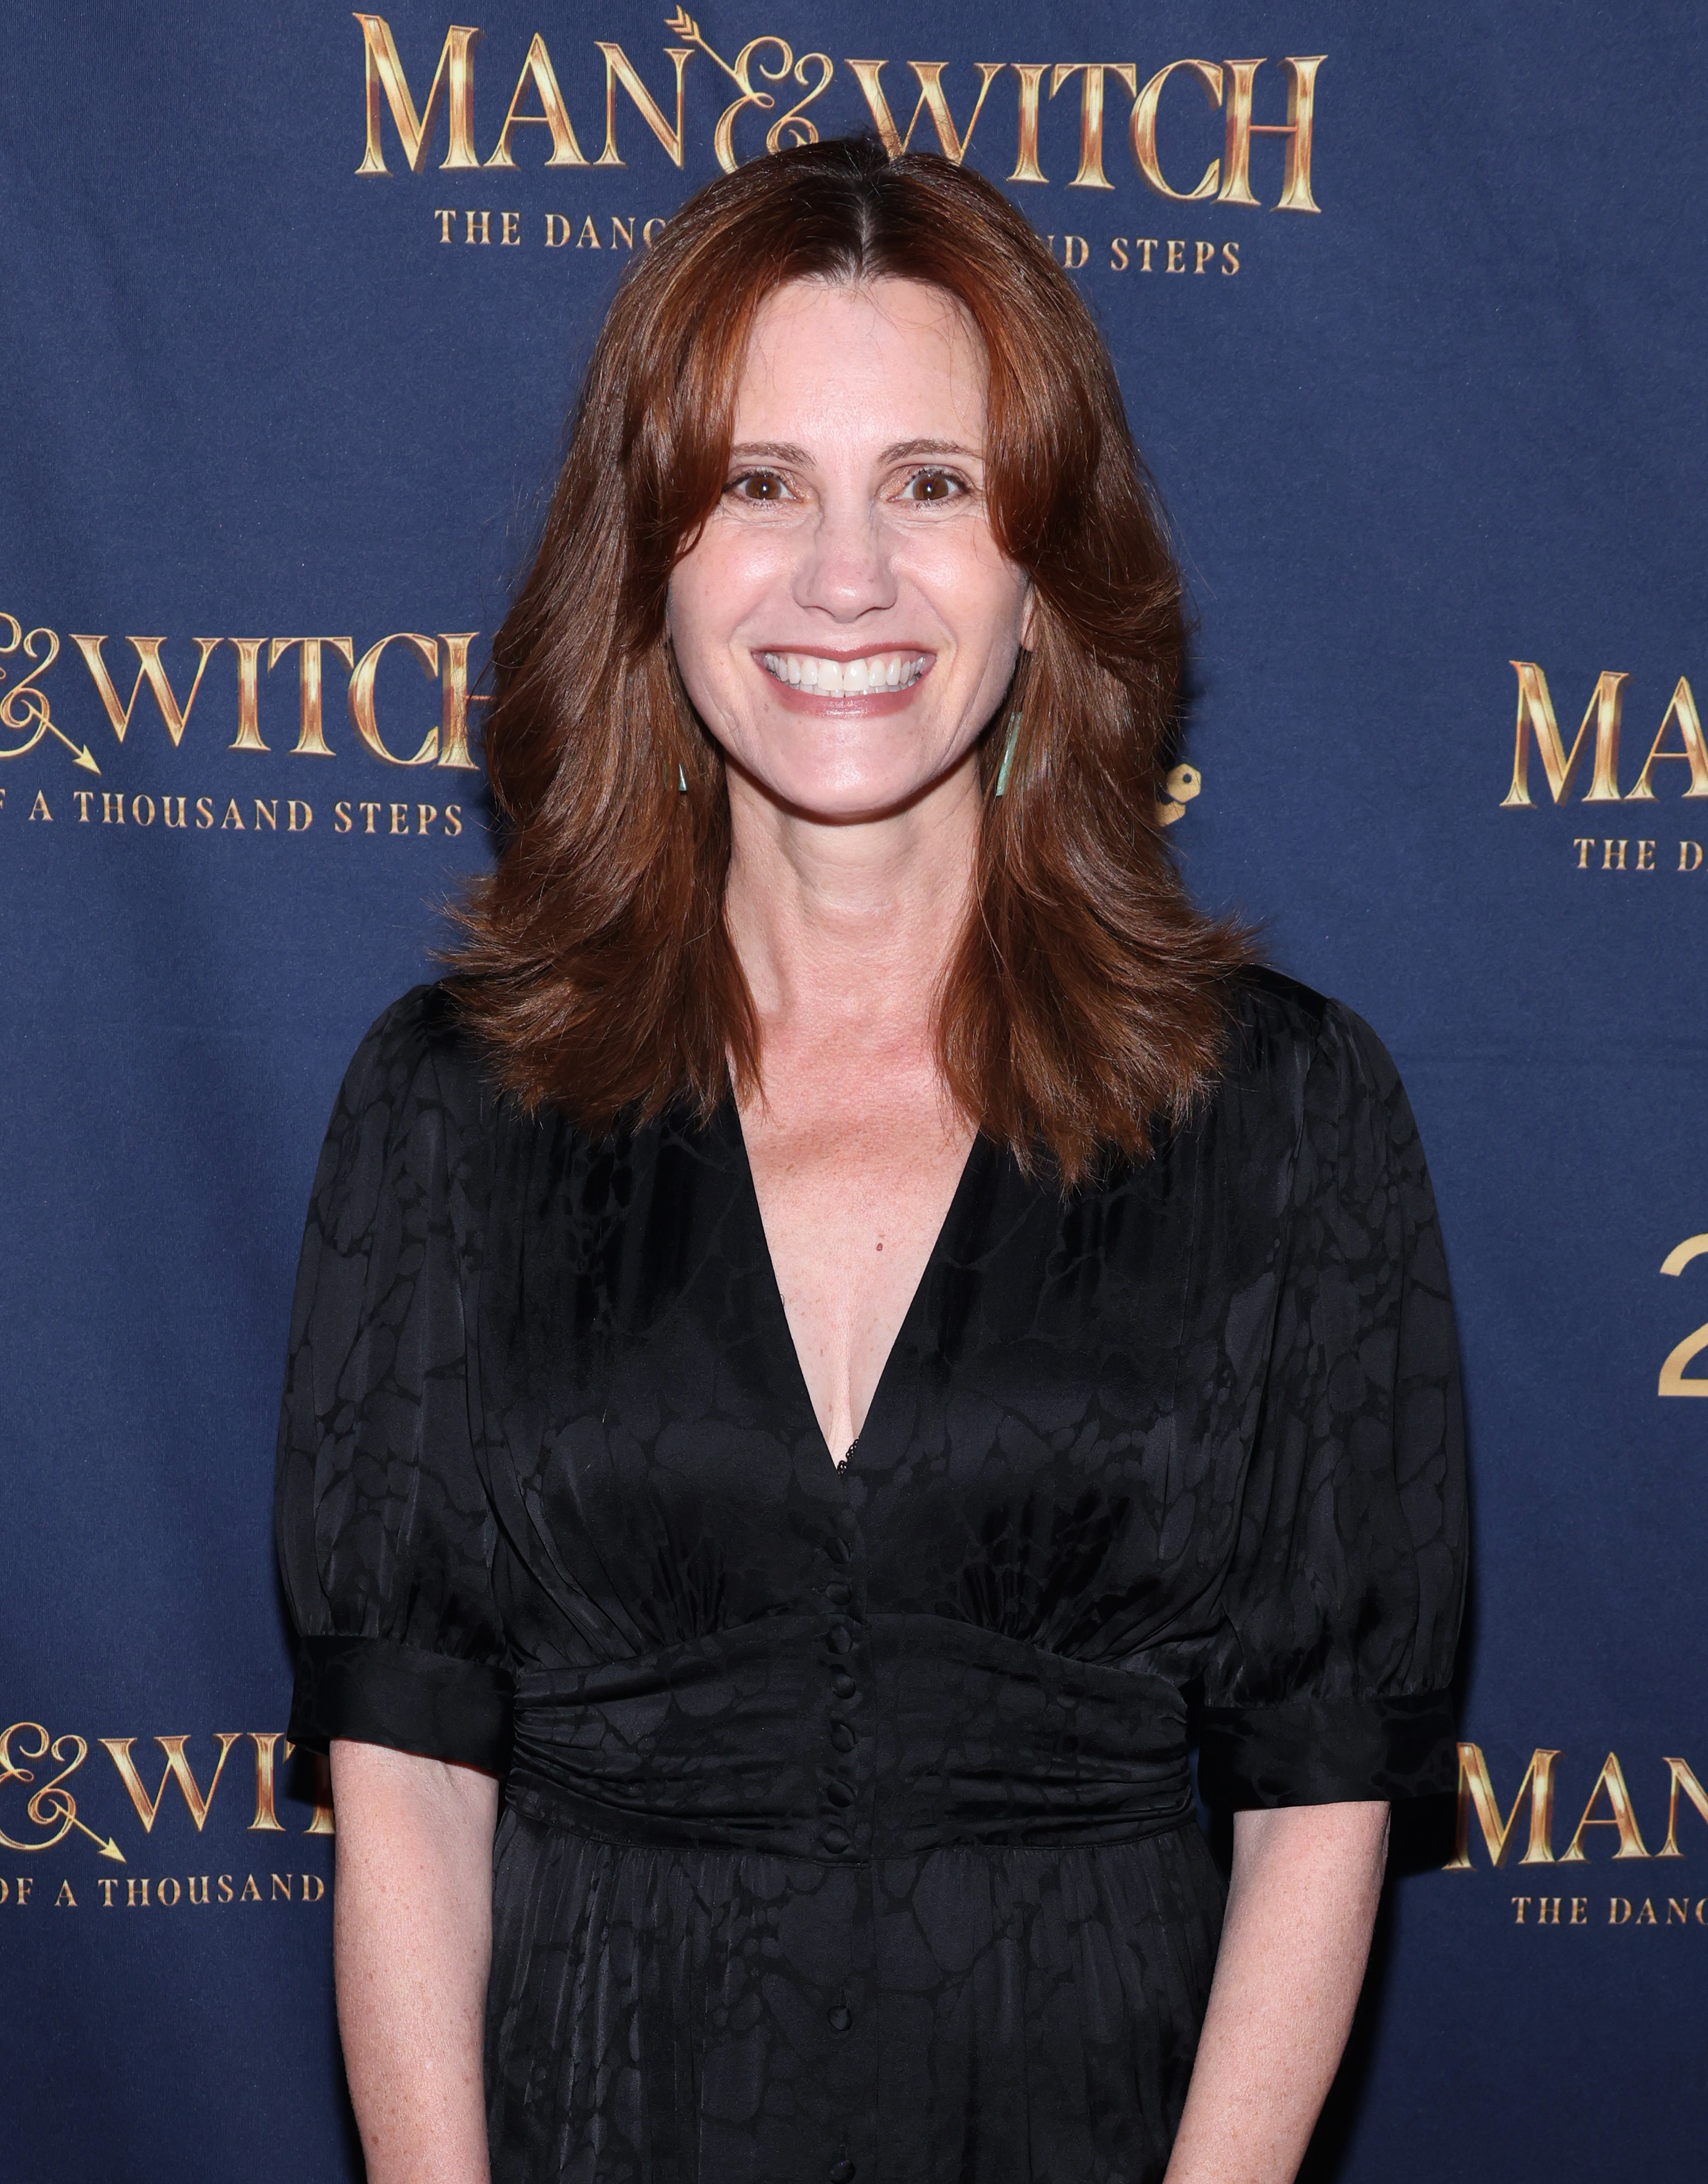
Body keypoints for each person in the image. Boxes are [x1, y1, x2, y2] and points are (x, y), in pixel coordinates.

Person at [274, 136, 1466, 2184]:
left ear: (1045, 565)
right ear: (649, 553)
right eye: (760, 485)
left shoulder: (1285, 1113)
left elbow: (1317, 1800)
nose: (848, 576)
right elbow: (407, 1794)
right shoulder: (450, 1110)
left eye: (933, 483)